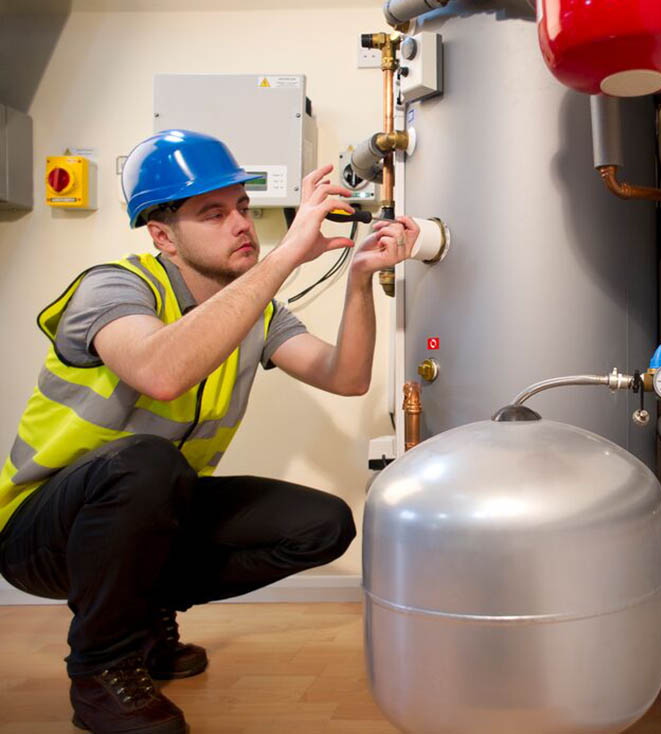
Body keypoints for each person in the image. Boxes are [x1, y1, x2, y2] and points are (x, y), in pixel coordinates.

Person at [0, 129, 416, 734]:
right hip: (41, 530)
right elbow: (160, 372)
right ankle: (100, 671)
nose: (240, 224)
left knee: (322, 524)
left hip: (148, 511)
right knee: (146, 462)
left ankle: (144, 611)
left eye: (243, 208)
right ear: (163, 235)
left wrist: (357, 280)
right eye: (213, 213)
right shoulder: (115, 287)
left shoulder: (257, 310)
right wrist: (283, 258)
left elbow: (346, 377)